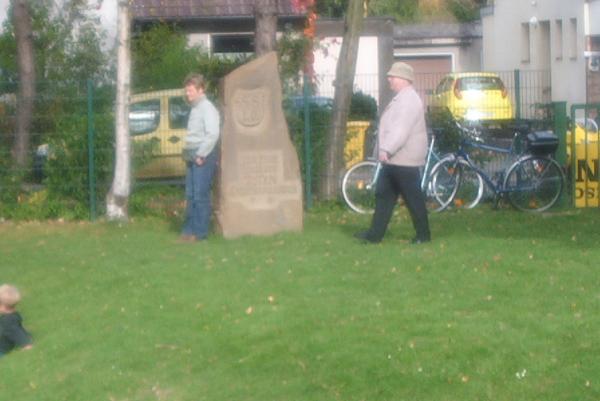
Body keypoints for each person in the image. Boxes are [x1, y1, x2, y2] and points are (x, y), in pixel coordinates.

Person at [355, 62, 431, 244]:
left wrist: (386, 149)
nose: (389, 79)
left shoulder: (408, 100)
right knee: (384, 195)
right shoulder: (403, 98)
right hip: (396, 159)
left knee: (413, 199)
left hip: (403, 159)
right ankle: (375, 235)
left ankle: (423, 235)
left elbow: (401, 130)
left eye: (393, 76)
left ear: (404, 79)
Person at [179, 73, 221, 242]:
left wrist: (201, 155)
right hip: (192, 155)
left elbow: (212, 134)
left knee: (200, 195)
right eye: (186, 90)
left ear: (200, 89)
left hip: (202, 156)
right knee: (190, 195)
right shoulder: (196, 108)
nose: (187, 94)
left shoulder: (207, 108)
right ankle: (188, 231)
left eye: (190, 90)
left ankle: (200, 233)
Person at [0, 284, 33, 357]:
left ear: (2, 306)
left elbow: (16, 332)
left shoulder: (7, 322)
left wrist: (26, 345)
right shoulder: (14, 314)